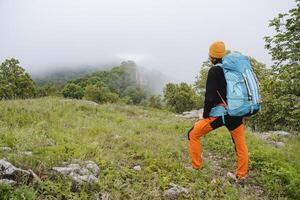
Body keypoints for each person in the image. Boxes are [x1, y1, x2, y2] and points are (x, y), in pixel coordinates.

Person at [188, 41, 248, 182]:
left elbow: (209, 97)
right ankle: (242, 176)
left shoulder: (214, 70)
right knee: (240, 145)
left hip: (220, 114)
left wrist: (205, 114)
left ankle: (196, 166)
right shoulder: (233, 70)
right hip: (236, 112)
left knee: (193, 134)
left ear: (213, 58)